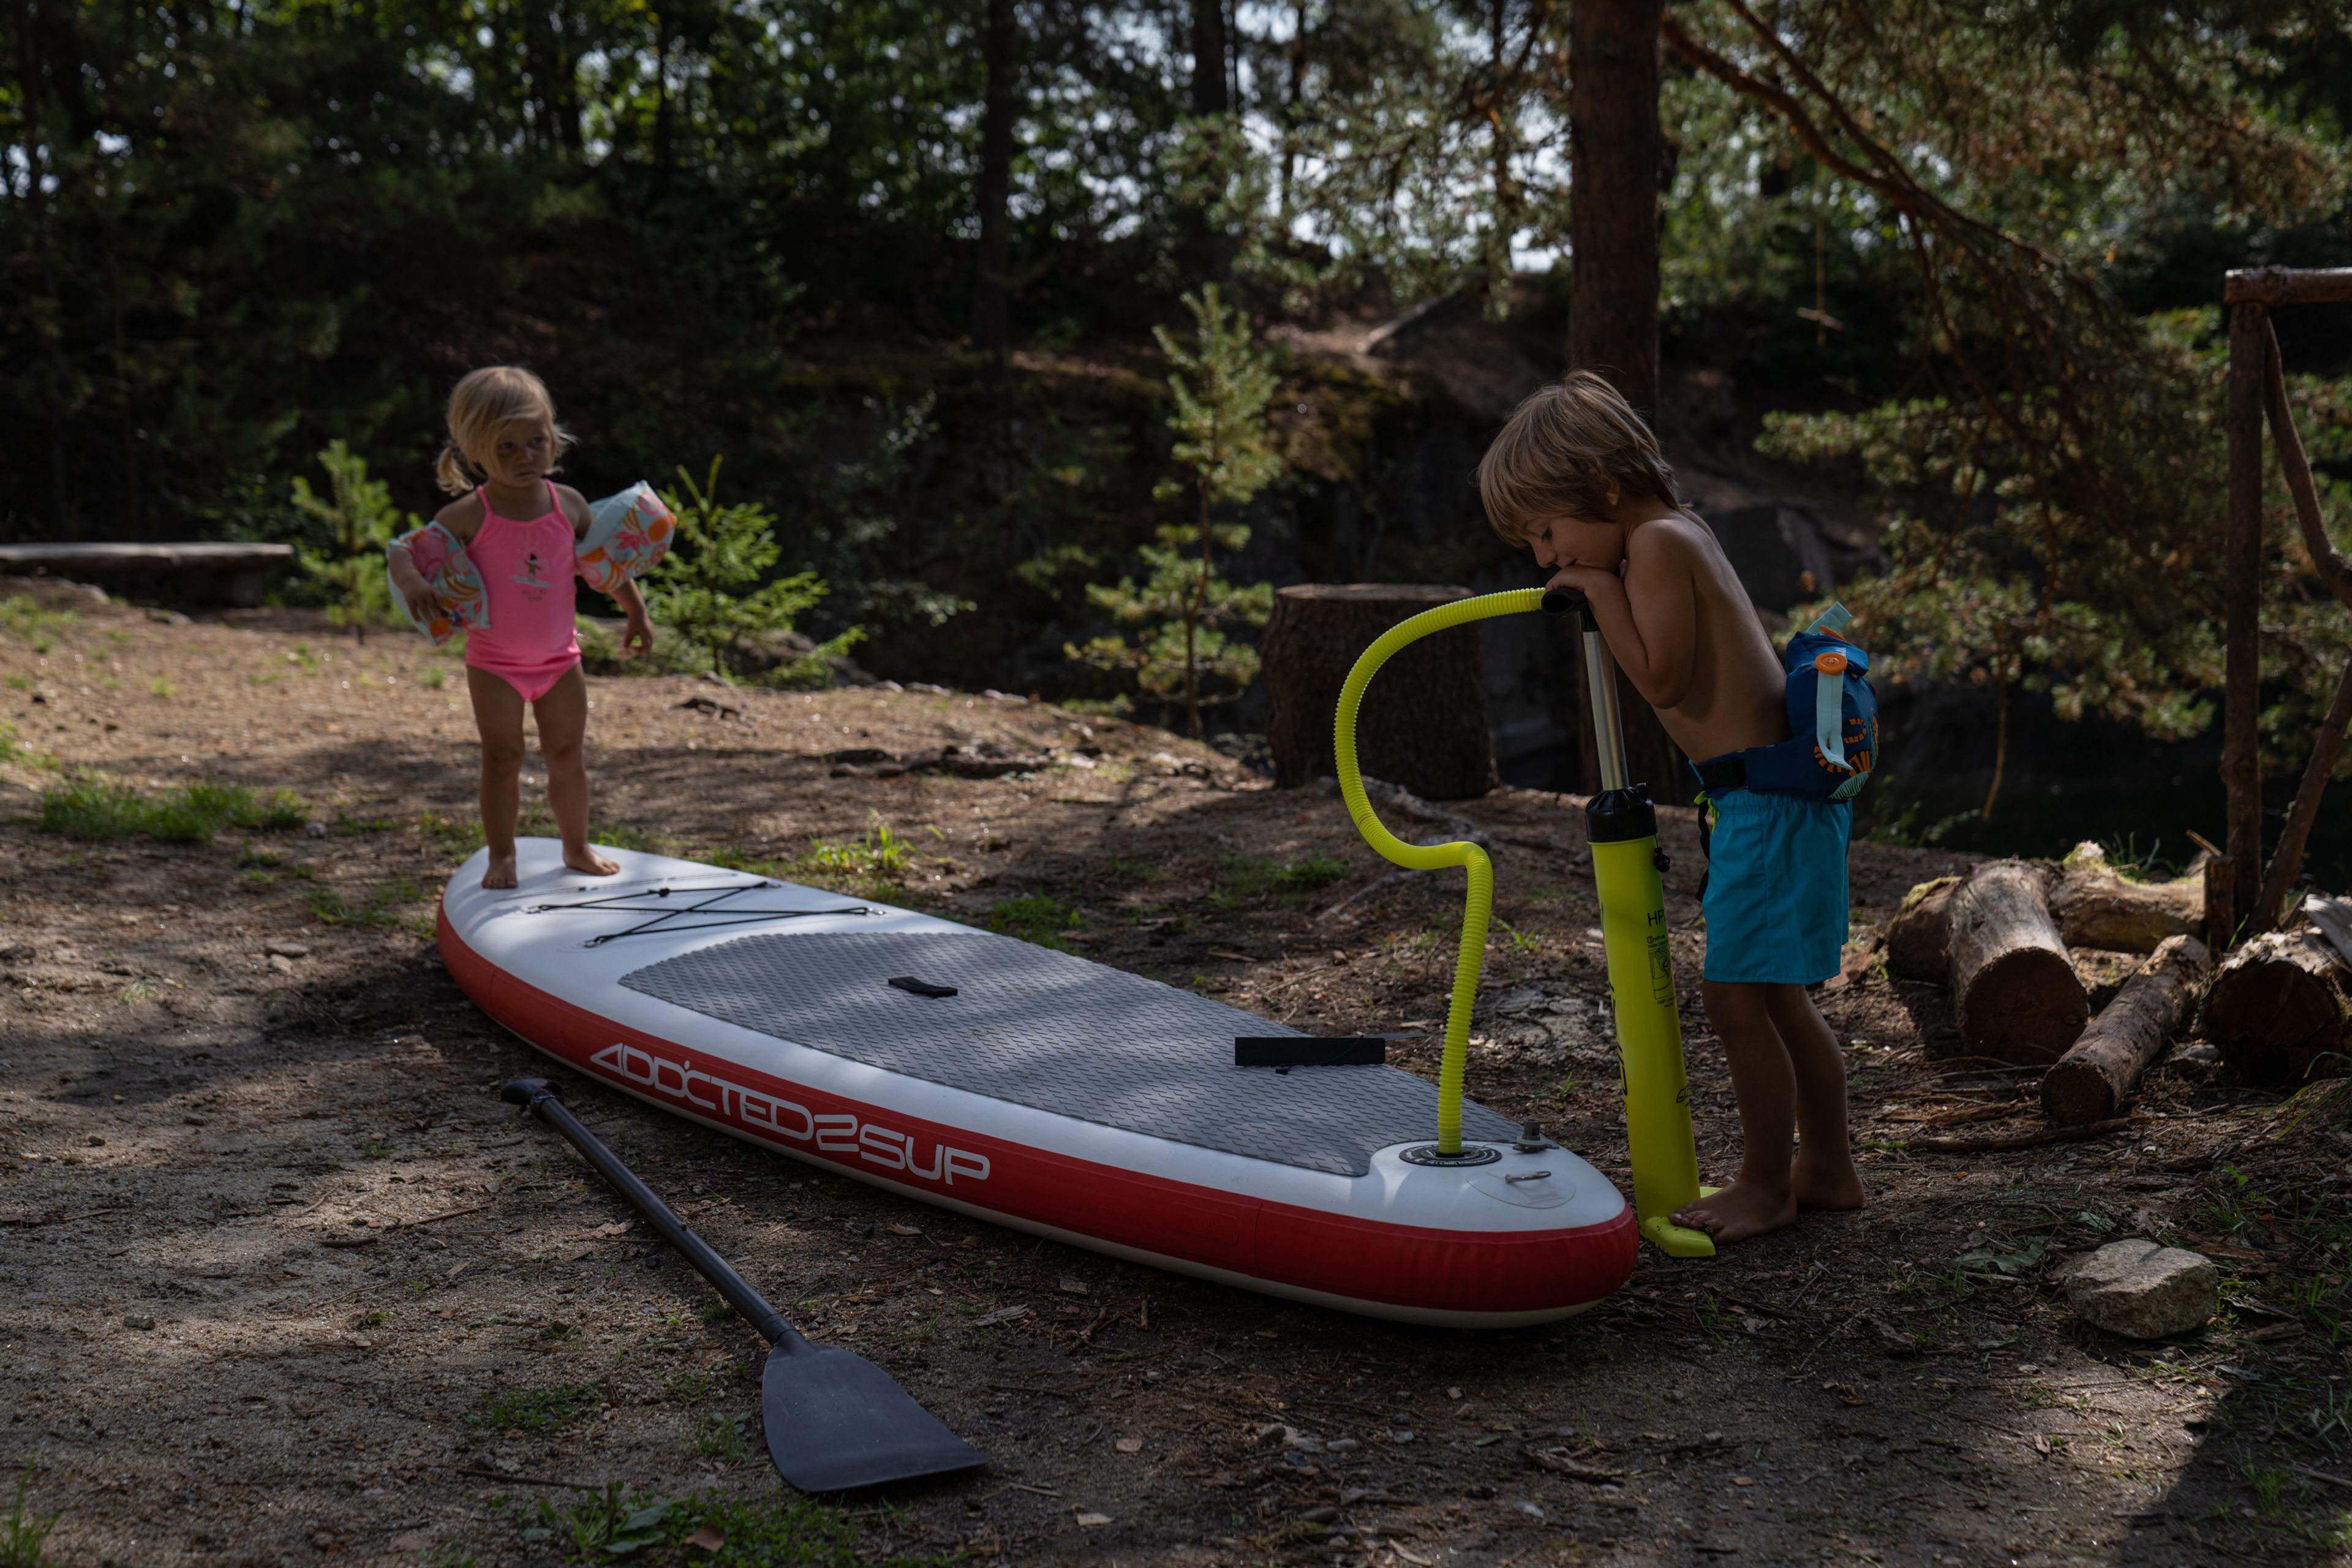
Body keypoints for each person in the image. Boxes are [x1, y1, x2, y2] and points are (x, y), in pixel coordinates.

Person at [1477, 372, 1864, 1243]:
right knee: (1779, 1001)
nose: (1546, 558)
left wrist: (1601, 591)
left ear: (1604, 490)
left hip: (1767, 808)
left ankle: (1766, 1186)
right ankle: (1830, 1170)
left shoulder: (1653, 544)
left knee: (1736, 1003)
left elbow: (1660, 675)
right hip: (1769, 804)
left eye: (1547, 530)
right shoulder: (1674, 533)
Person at [386, 366, 654, 890]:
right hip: (494, 664)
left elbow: (605, 566)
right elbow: (403, 551)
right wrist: (415, 582)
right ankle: (502, 856)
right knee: (503, 757)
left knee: (567, 757)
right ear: (474, 450)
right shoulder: (468, 514)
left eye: (536, 442)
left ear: (553, 438)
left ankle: (575, 847)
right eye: (505, 447)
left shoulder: (569, 505)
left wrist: (636, 612)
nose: (524, 457)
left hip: (561, 660)